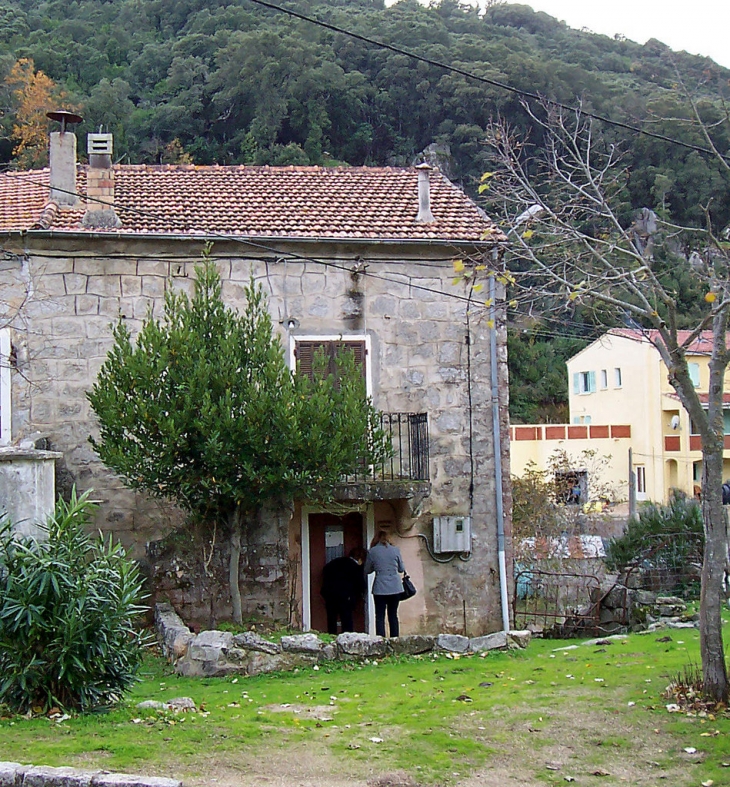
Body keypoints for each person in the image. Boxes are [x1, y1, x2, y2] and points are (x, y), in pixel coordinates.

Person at [364, 529, 405, 638]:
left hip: (380, 587)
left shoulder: (372, 551)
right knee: (393, 615)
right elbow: (401, 569)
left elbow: (367, 570)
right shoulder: (395, 550)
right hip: (395, 587)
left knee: (380, 616)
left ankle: (380, 640)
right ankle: (395, 639)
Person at [320, 547, 367, 635]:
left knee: (331, 620)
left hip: (330, 594)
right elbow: (360, 584)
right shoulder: (355, 567)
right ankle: (347, 641)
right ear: (360, 559)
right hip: (345, 597)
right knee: (347, 621)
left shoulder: (336, 562)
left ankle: (331, 638)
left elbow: (325, 570)